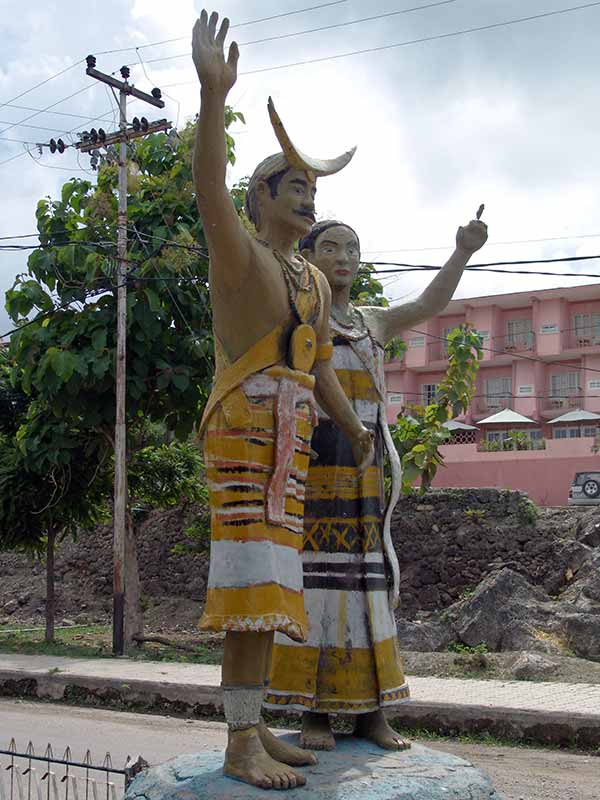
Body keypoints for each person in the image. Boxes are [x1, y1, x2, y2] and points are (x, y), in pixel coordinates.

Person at [191, 11, 374, 791]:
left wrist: (351, 426)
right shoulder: (241, 257)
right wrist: (213, 98)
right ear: (261, 196)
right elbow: (207, 188)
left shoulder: (312, 280)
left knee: (272, 588)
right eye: (295, 186)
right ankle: (240, 740)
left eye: (312, 189)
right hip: (243, 434)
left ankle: (257, 721)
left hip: (291, 439)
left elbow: (318, 365)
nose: (307, 198)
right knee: (247, 585)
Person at [266, 217, 488, 750]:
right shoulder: (295, 318)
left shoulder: (373, 322)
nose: (343, 257)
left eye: (352, 248)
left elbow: (430, 303)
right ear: (308, 257)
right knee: (316, 583)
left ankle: (372, 713)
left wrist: (461, 252)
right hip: (314, 462)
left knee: (371, 582)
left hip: (367, 467)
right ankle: (315, 712)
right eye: (330, 247)